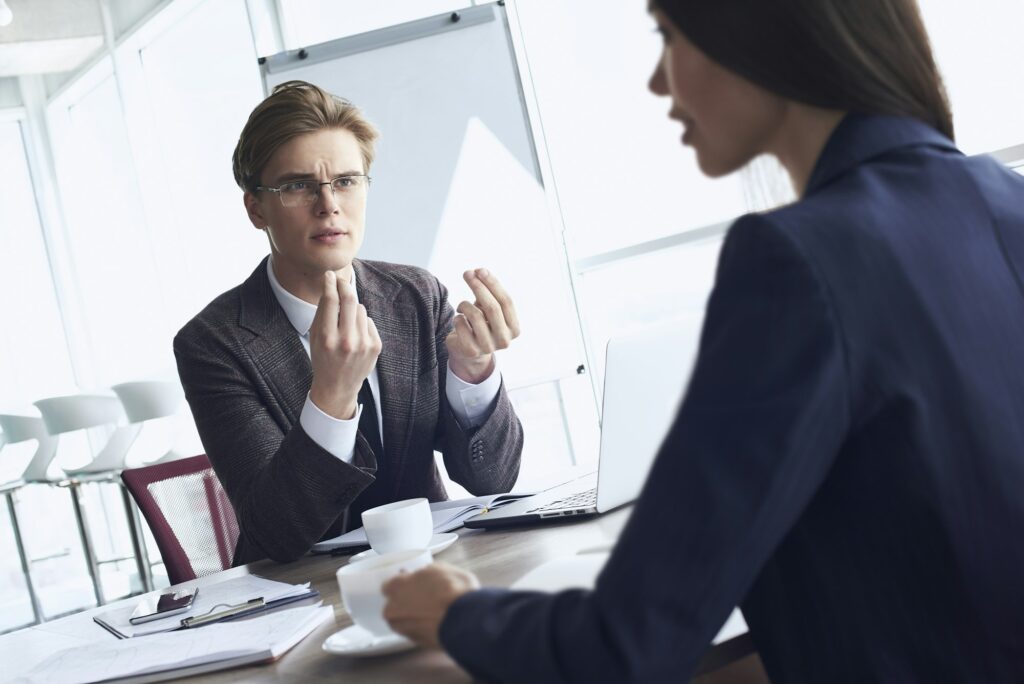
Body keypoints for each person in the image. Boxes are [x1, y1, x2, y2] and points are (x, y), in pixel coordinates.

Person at [381, 1, 1024, 681]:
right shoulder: (1004, 199)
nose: (659, 83)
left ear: (759, 28)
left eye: (668, 35)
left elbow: (628, 642)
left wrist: (457, 615)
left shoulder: (797, 260)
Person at [174, 81, 524, 565]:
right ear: (256, 208)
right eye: (298, 185)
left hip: (433, 571)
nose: (328, 205)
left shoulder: (417, 297)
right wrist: (332, 397)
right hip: (304, 599)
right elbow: (276, 536)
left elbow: (495, 480)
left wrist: (474, 373)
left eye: (345, 181)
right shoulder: (214, 344)